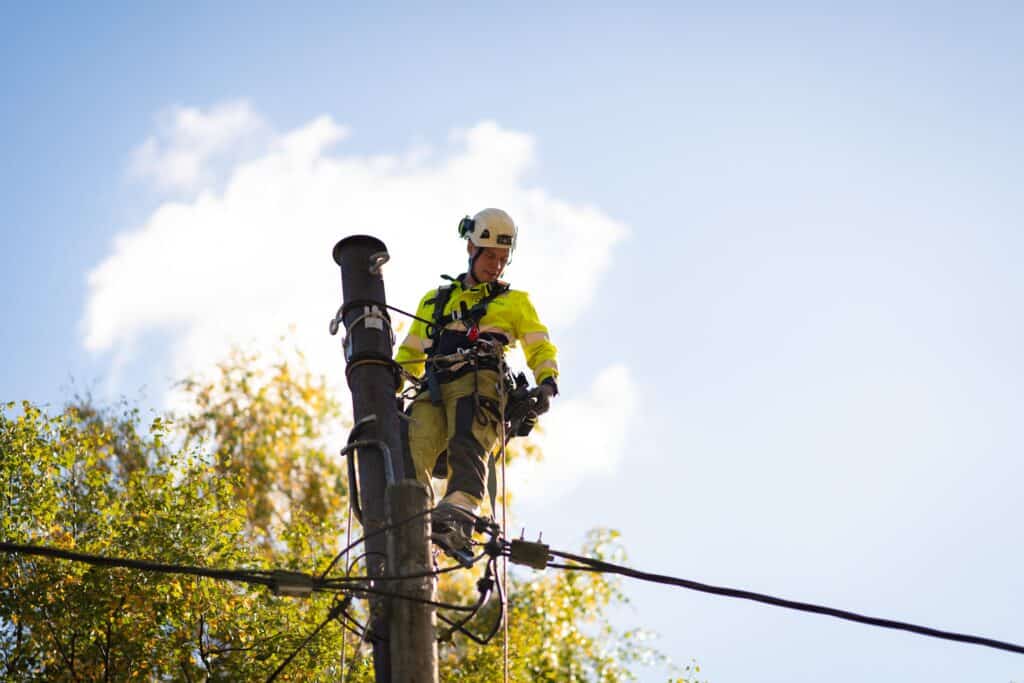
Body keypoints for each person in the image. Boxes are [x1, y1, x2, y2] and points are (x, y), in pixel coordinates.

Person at [394, 208, 559, 558]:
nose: (496, 265)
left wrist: (547, 381)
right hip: (434, 387)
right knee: (410, 446)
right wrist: (387, 385)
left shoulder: (515, 302)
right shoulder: (436, 301)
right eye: (490, 256)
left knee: (469, 446)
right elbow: (410, 353)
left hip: (480, 384)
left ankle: (457, 519)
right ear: (471, 249)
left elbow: (538, 344)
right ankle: (413, 518)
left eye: (503, 258)